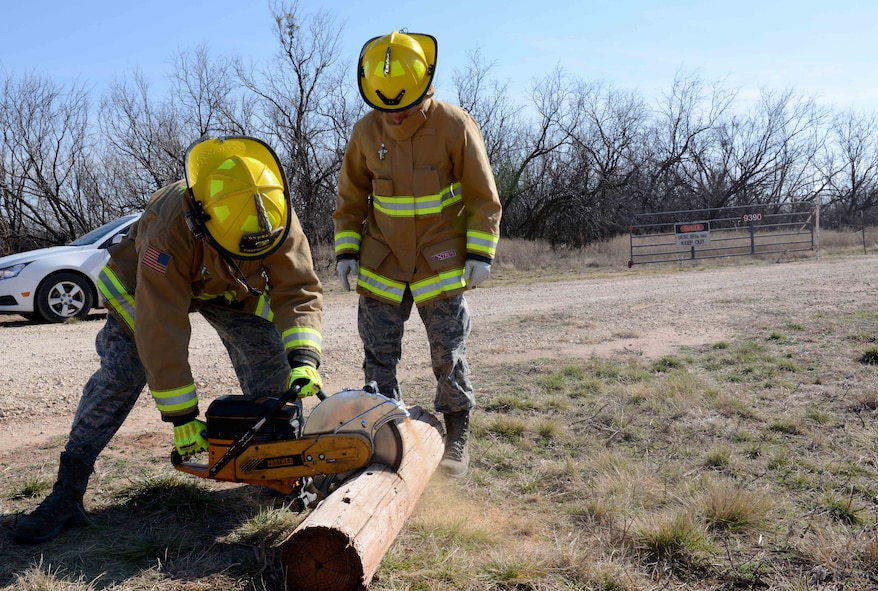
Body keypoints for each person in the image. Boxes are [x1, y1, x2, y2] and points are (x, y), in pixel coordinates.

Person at [14, 135, 324, 544]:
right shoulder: (169, 227)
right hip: (143, 286)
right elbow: (162, 326)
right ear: (202, 220)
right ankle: (66, 494)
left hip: (229, 288)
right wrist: (181, 415)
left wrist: (303, 358)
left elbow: (297, 290)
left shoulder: (273, 212)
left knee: (273, 367)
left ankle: (281, 477)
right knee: (123, 372)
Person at [333, 31, 502, 478]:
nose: (397, 114)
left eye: (404, 105)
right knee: (378, 357)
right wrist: (346, 251)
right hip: (383, 259)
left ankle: (457, 438)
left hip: (439, 257)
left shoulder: (454, 124)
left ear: (425, 84)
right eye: (388, 106)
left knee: (448, 353)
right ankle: (386, 439)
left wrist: (481, 252)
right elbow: (350, 199)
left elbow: (484, 196)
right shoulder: (366, 131)